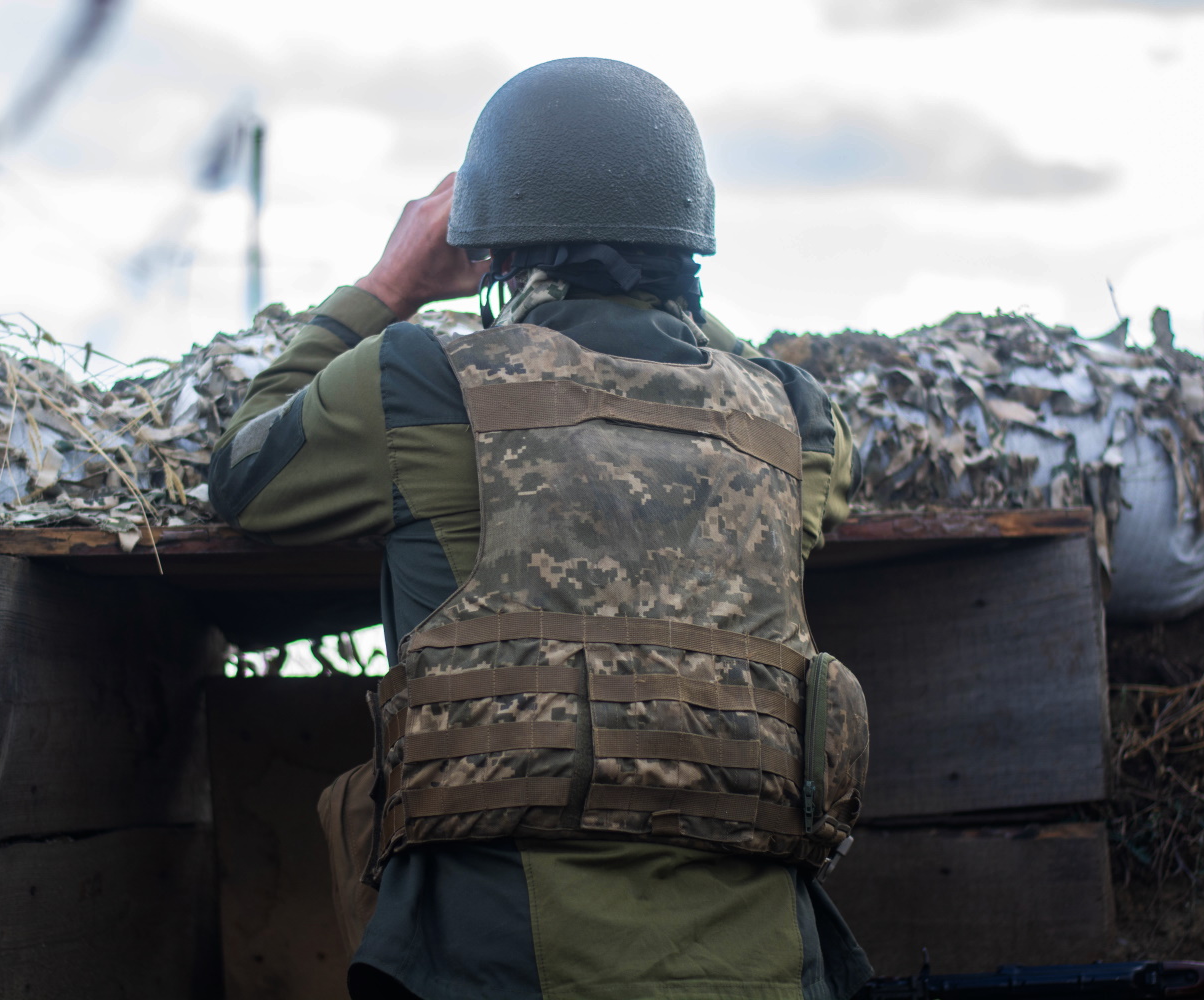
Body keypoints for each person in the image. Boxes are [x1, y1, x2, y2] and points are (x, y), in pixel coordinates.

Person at [209, 57, 870, 1000]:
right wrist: (669, 291)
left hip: (497, 963)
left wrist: (389, 283)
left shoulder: (418, 382)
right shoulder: (794, 422)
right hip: (771, 971)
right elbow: (745, 382)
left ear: (493, 245)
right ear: (693, 236)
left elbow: (244, 472)